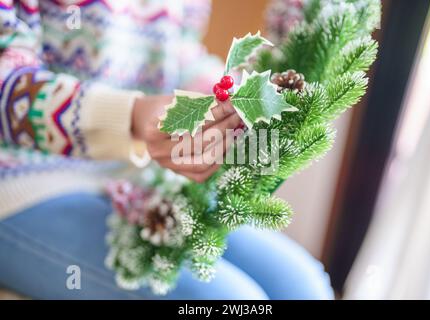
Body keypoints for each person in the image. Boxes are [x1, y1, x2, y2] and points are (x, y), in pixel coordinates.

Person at [0, 0, 333, 299]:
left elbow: (179, 52)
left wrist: (223, 103)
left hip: (136, 172)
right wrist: (129, 116)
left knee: (302, 285)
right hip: (22, 179)